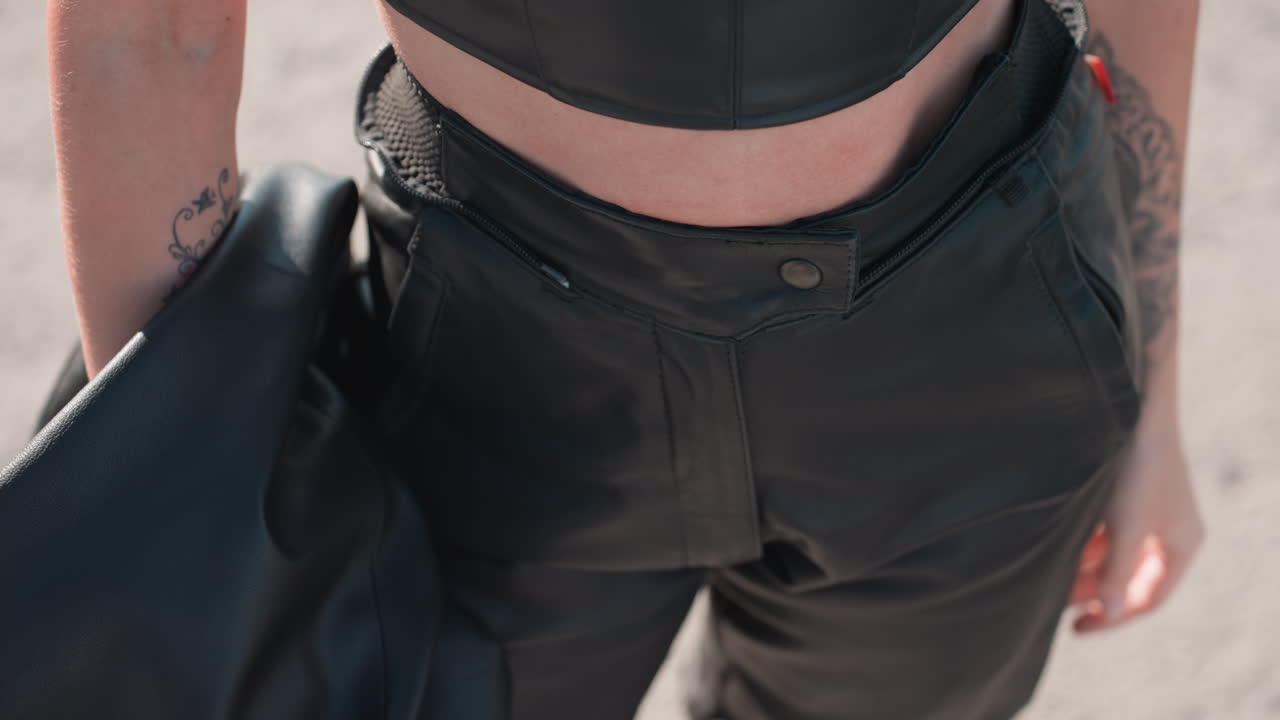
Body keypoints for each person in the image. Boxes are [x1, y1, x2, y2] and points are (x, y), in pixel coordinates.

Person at [47, 0, 1204, 717]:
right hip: (500, 358)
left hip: (955, 342)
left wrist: (1151, 399)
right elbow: (146, 25)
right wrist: (180, 508)